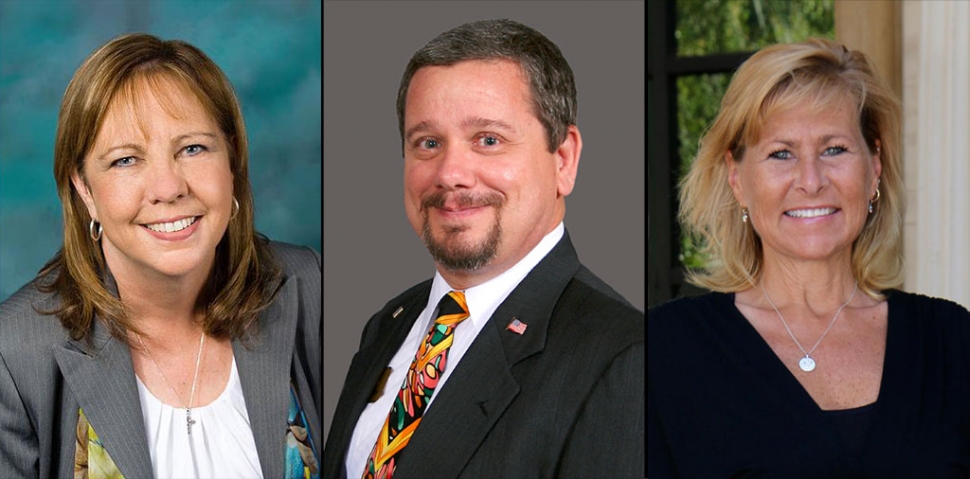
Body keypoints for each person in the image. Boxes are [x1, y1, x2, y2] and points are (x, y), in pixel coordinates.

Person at [322, 19, 644, 479]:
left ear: (564, 159)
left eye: (488, 140)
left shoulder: (623, 359)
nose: (451, 173)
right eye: (428, 143)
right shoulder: (389, 325)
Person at [0, 33, 321, 478]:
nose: (169, 188)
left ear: (231, 158)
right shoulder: (13, 354)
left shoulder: (312, 288)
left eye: (192, 148)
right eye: (126, 160)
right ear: (84, 189)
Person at [648, 38, 970, 477]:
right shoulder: (662, 352)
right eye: (781, 154)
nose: (811, 180)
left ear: (874, 166)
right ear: (737, 178)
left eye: (834, 149)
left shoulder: (952, 342)